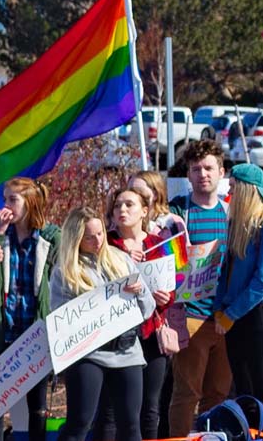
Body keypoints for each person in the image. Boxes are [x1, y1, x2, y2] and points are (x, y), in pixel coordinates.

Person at [50, 207, 154, 441]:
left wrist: (139, 293)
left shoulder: (121, 259)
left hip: (127, 351)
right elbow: (59, 317)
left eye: (100, 234)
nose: (97, 240)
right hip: (89, 353)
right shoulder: (64, 272)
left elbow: (147, 309)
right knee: (80, 422)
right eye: (89, 236)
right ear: (76, 239)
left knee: (130, 424)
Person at [212, 164, 263, 441]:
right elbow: (226, 272)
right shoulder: (237, 224)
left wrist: (230, 314)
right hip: (234, 318)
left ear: (247, 190)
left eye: (233, 186)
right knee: (245, 394)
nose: (229, 191)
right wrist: (219, 309)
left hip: (259, 316)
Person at [0, 178, 59, 441]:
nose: (6, 205)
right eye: (5, 199)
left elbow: (66, 273)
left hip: (35, 327)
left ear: (31, 202)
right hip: (4, 326)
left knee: (37, 406)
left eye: (13, 199)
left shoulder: (49, 236)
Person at [167, 140, 232, 436]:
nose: (202, 174)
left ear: (221, 172)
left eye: (208, 168)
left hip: (226, 317)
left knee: (219, 392)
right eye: (196, 169)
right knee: (186, 393)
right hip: (191, 315)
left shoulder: (231, 212)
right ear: (188, 175)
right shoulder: (178, 211)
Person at [103, 186, 174, 439]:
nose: (122, 210)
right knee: (112, 408)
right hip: (116, 336)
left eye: (129, 205)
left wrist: (165, 299)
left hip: (151, 334)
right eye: (117, 205)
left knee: (150, 408)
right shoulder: (107, 242)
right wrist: (122, 256)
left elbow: (170, 283)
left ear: (145, 211)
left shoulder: (159, 242)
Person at [128, 170, 186, 237]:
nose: (133, 195)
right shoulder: (123, 222)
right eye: (130, 191)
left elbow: (184, 247)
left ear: (155, 194)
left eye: (139, 191)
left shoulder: (174, 223)